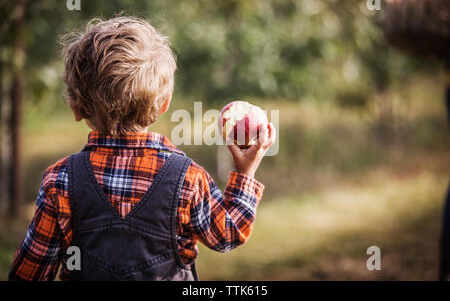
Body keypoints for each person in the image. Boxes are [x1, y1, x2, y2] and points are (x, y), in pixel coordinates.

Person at [8, 17, 275, 281]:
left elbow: (30, 272)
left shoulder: (60, 181)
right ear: (164, 104)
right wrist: (245, 173)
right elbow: (226, 236)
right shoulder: (188, 180)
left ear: (76, 108)